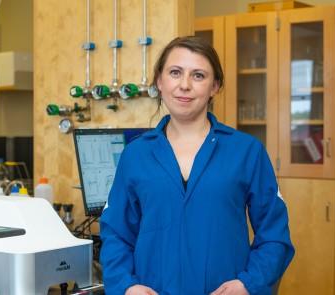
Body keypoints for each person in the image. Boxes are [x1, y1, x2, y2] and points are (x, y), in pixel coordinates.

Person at [99, 36, 295, 295]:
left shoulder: (247, 152)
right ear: (160, 81)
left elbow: (274, 236)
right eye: (175, 72)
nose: (184, 85)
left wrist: (249, 283)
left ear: (214, 86)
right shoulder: (135, 155)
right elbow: (116, 234)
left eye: (198, 75)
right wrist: (127, 286)